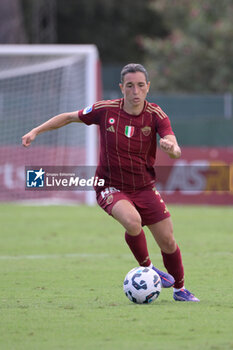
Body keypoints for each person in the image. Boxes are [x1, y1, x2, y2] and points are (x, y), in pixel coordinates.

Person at [22, 63, 199, 302]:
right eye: (129, 86)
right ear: (121, 88)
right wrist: (35, 131)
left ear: (147, 87)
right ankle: (148, 268)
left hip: (145, 187)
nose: (135, 91)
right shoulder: (105, 110)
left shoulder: (156, 115)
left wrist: (172, 148)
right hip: (110, 186)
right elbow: (67, 117)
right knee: (133, 221)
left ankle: (180, 289)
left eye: (140, 85)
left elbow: (174, 147)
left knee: (168, 240)